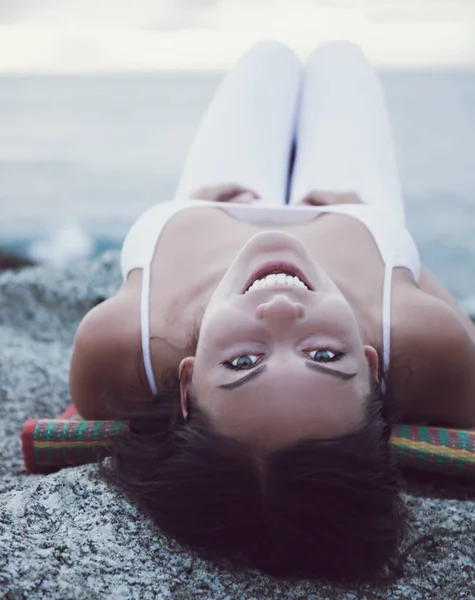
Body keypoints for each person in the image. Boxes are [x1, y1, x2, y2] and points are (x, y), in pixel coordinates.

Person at [69, 40, 475, 582]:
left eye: (242, 363)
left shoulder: (121, 347)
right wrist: (380, 236)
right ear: (376, 369)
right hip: (353, 208)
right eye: (326, 355)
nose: (282, 309)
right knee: (341, 57)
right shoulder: (425, 339)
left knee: (267, 57)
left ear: (185, 384)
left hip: (215, 199)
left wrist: (198, 208)